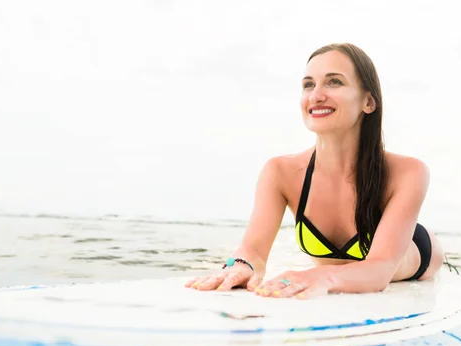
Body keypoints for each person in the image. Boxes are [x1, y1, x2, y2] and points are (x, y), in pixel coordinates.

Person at [185, 43, 444, 299]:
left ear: (368, 101)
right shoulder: (280, 172)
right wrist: (241, 266)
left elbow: (380, 270)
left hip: (412, 251)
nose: (316, 95)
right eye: (308, 84)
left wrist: (320, 275)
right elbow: (252, 252)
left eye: (334, 82)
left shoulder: (409, 171)